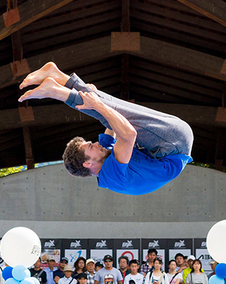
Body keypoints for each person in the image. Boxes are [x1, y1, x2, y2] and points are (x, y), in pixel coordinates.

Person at [19, 61, 193, 196]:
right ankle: (56, 91)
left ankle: (57, 78)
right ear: (87, 163)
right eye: (90, 147)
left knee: (107, 111)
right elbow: (129, 134)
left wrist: (96, 98)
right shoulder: (112, 176)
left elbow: (111, 124)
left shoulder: (105, 155)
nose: (96, 143)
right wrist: (98, 103)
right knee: (110, 111)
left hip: (168, 141)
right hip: (173, 145)